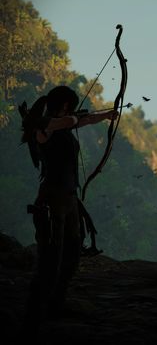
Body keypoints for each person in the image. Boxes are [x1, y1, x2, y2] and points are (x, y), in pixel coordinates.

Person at [19, 85, 118, 334]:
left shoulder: (64, 122)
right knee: (50, 261)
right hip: (52, 199)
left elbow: (80, 121)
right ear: (64, 105)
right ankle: (33, 318)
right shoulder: (44, 125)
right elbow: (65, 122)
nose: (72, 110)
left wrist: (105, 116)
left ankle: (55, 306)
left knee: (72, 254)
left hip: (70, 199)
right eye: (69, 105)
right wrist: (76, 118)